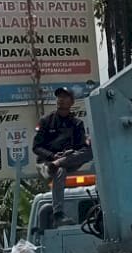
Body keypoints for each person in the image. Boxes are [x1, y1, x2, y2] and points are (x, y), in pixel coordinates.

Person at [33, 86, 92, 223]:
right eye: (59, 97)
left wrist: (69, 153)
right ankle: (58, 213)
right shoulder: (46, 121)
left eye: (65, 97)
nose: (61, 100)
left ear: (71, 102)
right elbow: (36, 147)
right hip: (47, 164)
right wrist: (53, 157)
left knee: (90, 151)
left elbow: (81, 147)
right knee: (60, 171)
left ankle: (59, 163)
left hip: (68, 159)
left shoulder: (77, 124)